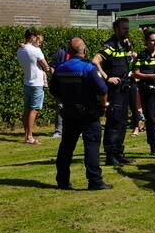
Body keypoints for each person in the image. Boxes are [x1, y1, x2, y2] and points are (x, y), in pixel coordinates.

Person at [49, 38, 111, 190]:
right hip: (88, 113)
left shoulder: (60, 68)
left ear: (69, 52)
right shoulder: (88, 67)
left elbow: (53, 91)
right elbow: (103, 89)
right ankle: (95, 181)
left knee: (66, 147)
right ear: (84, 51)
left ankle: (62, 181)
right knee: (91, 145)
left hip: (69, 112)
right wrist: (103, 106)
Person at [93, 18, 136, 166]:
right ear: (116, 29)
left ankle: (119, 152)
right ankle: (110, 155)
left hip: (124, 87)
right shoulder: (110, 45)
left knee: (123, 122)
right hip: (115, 90)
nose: (127, 31)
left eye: (127, 28)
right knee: (114, 121)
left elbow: (131, 59)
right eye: (124, 29)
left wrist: (130, 50)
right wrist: (107, 77)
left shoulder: (124, 45)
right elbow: (95, 61)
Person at [16, 28, 52, 144]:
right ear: (32, 37)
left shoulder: (20, 50)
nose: (37, 39)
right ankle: (30, 137)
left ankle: (27, 135)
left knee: (27, 110)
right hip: (37, 83)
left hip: (27, 82)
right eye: (36, 36)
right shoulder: (36, 50)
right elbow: (46, 66)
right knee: (34, 110)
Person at [48, 42, 71, 138]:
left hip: (75, 84)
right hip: (61, 84)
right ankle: (59, 131)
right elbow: (52, 67)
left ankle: (77, 130)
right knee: (60, 106)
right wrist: (56, 78)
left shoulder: (80, 53)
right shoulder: (61, 53)